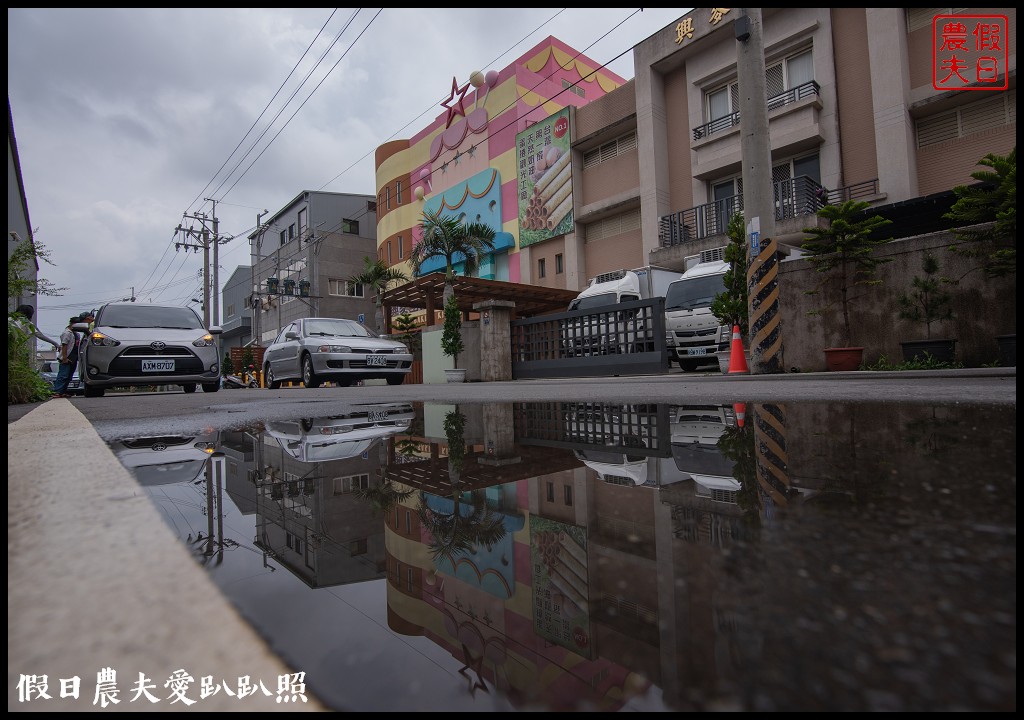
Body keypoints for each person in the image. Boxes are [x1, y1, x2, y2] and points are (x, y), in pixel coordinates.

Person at [53, 316, 80, 398]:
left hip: (73, 357)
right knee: (63, 375)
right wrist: (64, 358)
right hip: (66, 357)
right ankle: (57, 391)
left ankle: (63, 391)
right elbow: (64, 345)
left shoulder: (76, 334)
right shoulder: (67, 333)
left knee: (69, 376)